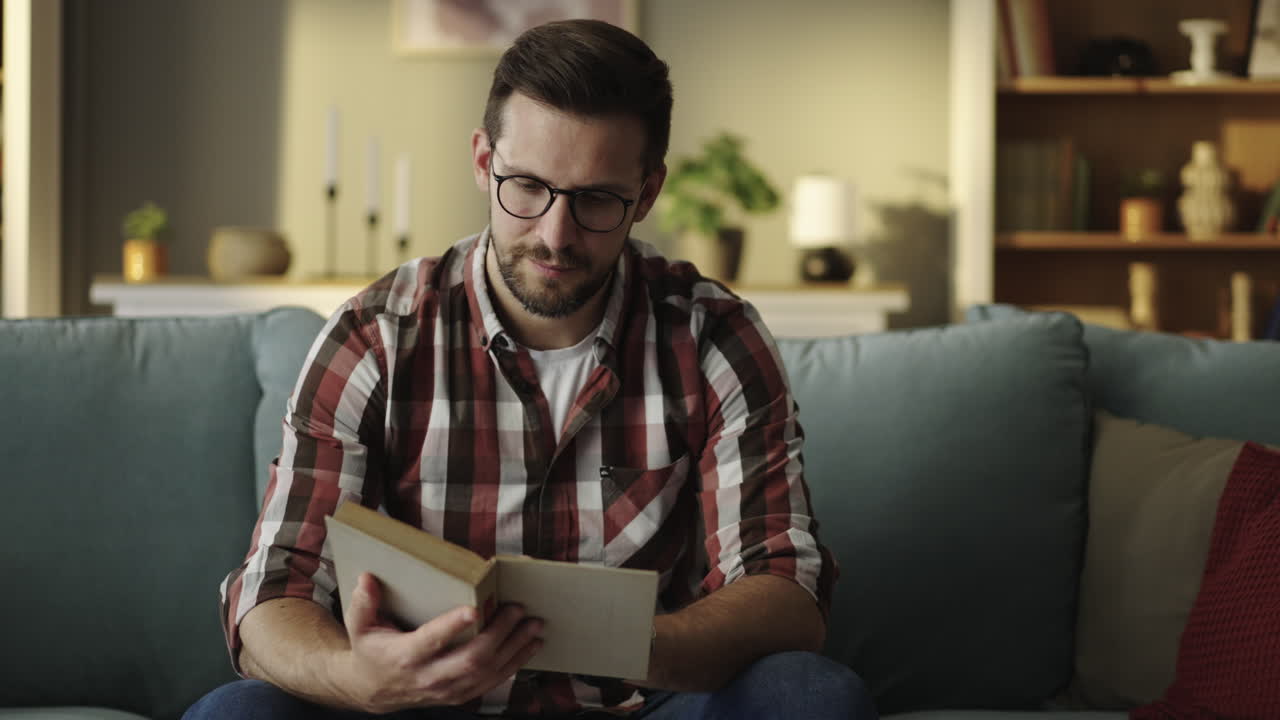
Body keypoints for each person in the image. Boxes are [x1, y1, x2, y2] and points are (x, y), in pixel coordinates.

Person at [184, 18, 876, 720]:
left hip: (643, 707)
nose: (555, 234)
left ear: (649, 191)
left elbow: (788, 589)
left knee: (811, 696)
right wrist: (357, 677)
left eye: (597, 200)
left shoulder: (713, 337)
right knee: (235, 713)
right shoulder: (375, 337)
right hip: (422, 709)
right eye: (527, 187)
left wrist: (618, 642)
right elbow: (272, 593)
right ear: (483, 162)